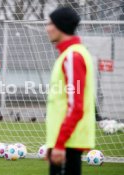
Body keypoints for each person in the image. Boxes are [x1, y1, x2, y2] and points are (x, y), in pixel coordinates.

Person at [45, 7, 96, 175]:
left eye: (51, 23)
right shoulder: (70, 54)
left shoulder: (72, 57)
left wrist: (59, 144)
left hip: (68, 143)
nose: (47, 27)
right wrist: (53, 144)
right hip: (65, 142)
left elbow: (76, 106)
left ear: (61, 26)